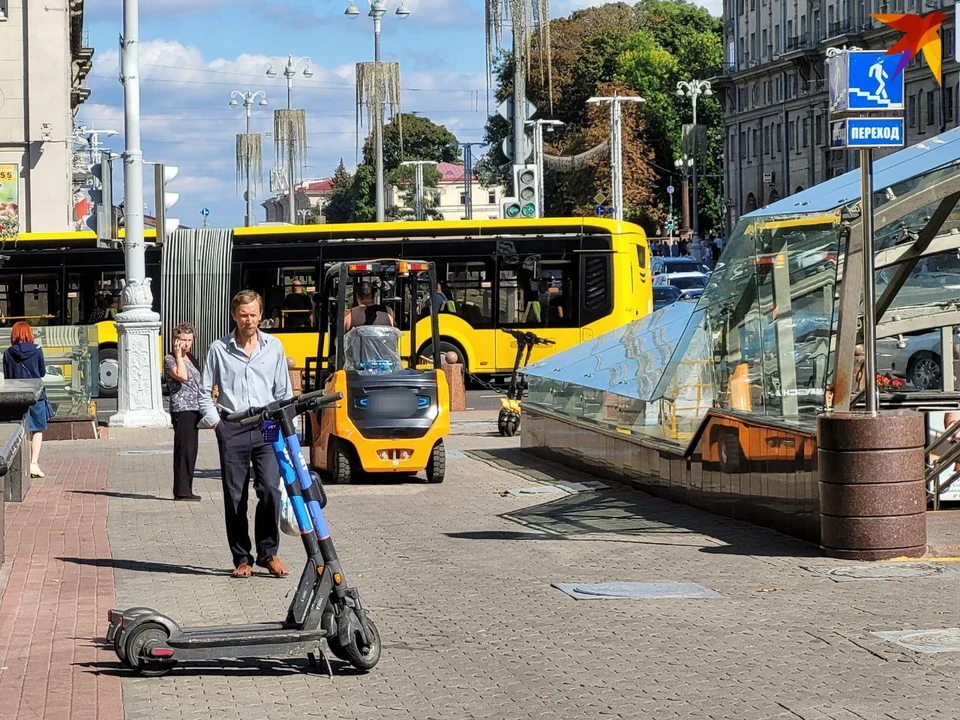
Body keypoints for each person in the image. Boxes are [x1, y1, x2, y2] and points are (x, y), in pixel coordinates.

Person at [199, 290, 293, 579]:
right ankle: (242, 558)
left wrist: (284, 428)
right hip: (234, 426)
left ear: (261, 315)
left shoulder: (274, 347)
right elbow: (204, 394)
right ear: (233, 316)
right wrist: (218, 426)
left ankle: (268, 552)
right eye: (243, 315)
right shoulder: (219, 349)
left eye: (253, 314)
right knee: (234, 495)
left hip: (266, 424)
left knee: (269, 490)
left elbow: (283, 393)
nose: (249, 320)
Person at [3, 321, 50, 478]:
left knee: (19, 431)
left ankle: (19, 465)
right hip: (36, 395)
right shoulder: (37, 350)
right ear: (29, 333)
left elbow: (8, 377)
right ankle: (33, 463)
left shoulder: (8, 353)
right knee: (37, 430)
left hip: (15, 397)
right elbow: (42, 372)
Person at [164, 323, 202, 501]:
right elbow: (182, 376)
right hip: (182, 408)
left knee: (191, 450)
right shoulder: (170, 359)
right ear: (175, 341)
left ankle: (187, 488)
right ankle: (181, 491)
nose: (186, 344)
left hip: (195, 408)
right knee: (183, 450)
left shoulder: (191, 358)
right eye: (182, 340)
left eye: (189, 340)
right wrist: (178, 355)